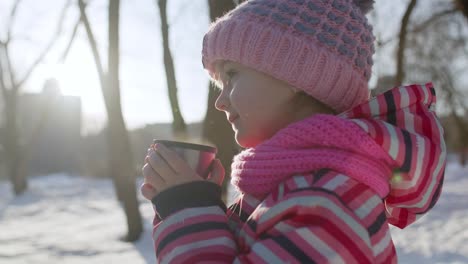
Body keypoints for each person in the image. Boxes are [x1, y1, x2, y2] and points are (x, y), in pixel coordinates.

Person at [141, 0, 447, 263]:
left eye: (232, 75)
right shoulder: (303, 185)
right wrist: (196, 208)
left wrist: (188, 209)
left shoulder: (327, 200)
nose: (220, 102)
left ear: (297, 76)